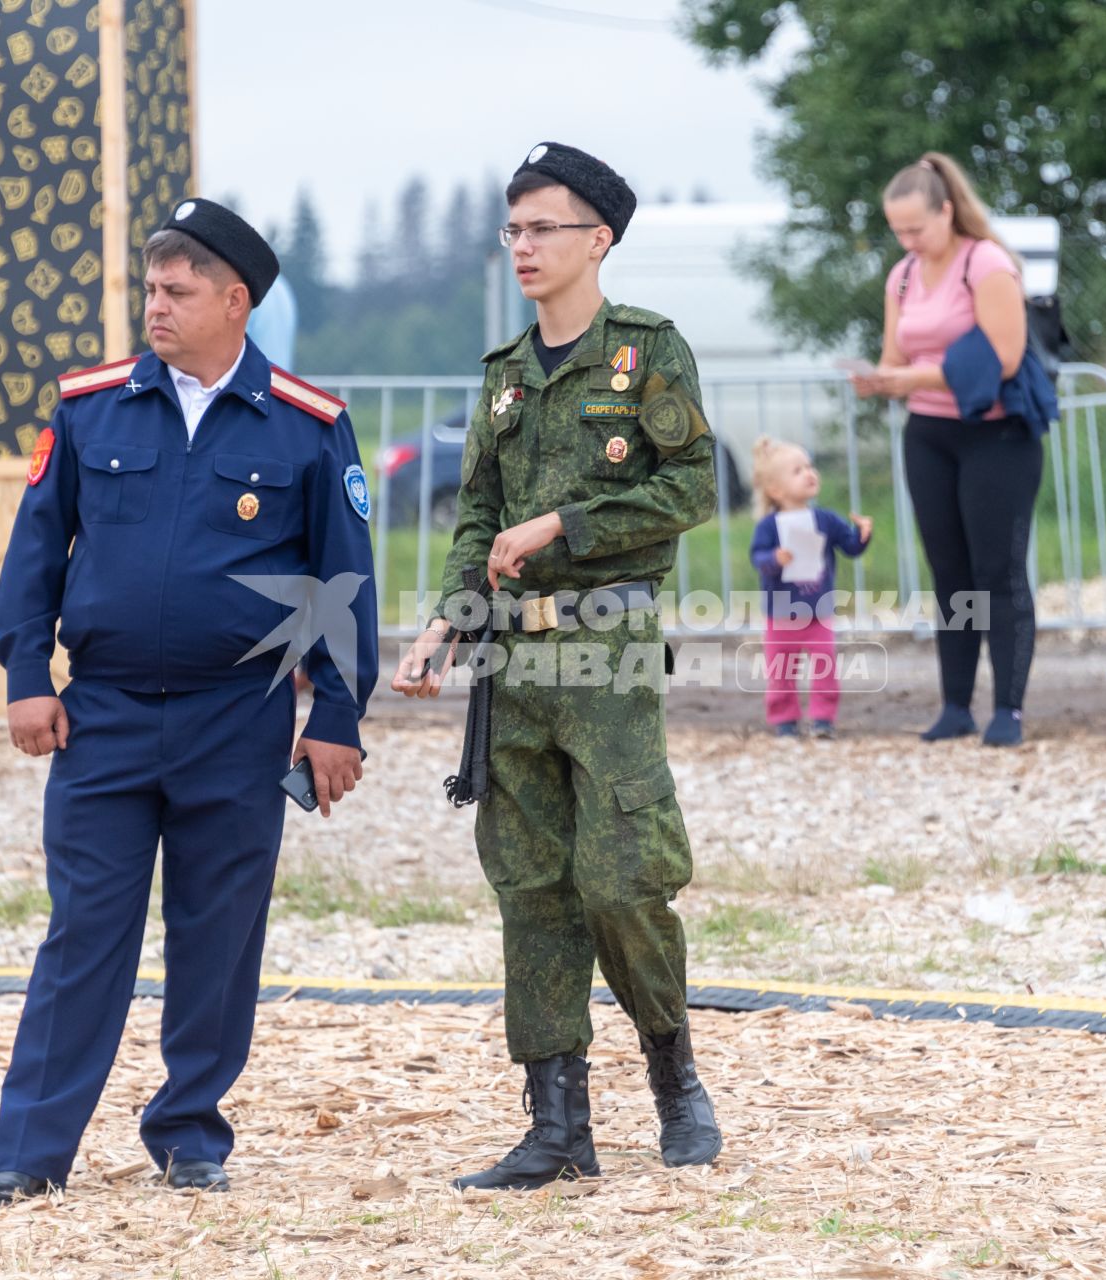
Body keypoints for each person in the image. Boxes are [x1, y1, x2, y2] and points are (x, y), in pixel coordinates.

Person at [0, 198, 377, 1204]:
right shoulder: (90, 405)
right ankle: (30, 1150)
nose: (154, 305)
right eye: (150, 287)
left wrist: (334, 718)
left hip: (237, 723)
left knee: (219, 932)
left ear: (235, 300)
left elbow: (342, 583)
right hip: (102, 717)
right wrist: (28, 675)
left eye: (177, 289)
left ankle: (191, 1132)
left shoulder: (307, 423)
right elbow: (36, 551)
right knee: (84, 932)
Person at [389, 142, 722, 1190]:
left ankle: (675, 1074)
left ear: (598, 239)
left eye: (544, 228)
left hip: (606, 650)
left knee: (622, 877)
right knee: (531, 884)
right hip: (513, 662)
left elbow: (693, 489)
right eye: (514, 229)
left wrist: (565, 524)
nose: (524, 246)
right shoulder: (502, 379)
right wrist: (443, 622)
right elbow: (477, 517)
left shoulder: (647, 352)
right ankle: (557, 1123)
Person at [853, 152, 1042, 748]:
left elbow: (1005, 356)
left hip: (995, 433)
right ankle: (956, 703)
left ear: (947, 211)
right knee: (950, 573)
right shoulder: (903, 275)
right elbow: (894, 356)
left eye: (917, 228)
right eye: (898, 230)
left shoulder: (986, 264)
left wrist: (912, 379)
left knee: (998, 572)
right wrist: (881, 380)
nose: (908, 240)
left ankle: (1008, 708)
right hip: (929, 435)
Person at [748, 438, 872, 739]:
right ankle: (785, 720)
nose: (809, 473)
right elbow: (757, 557)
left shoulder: (826, 520)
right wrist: (774, 559)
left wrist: (863, 534)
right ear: (775, 490)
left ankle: (823, 720)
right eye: (797, 470)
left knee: (825, 666)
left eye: (809, 466)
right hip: (780, 613)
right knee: (781, 670)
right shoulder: (768, 526)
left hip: (819, 610)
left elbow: (851, 547)